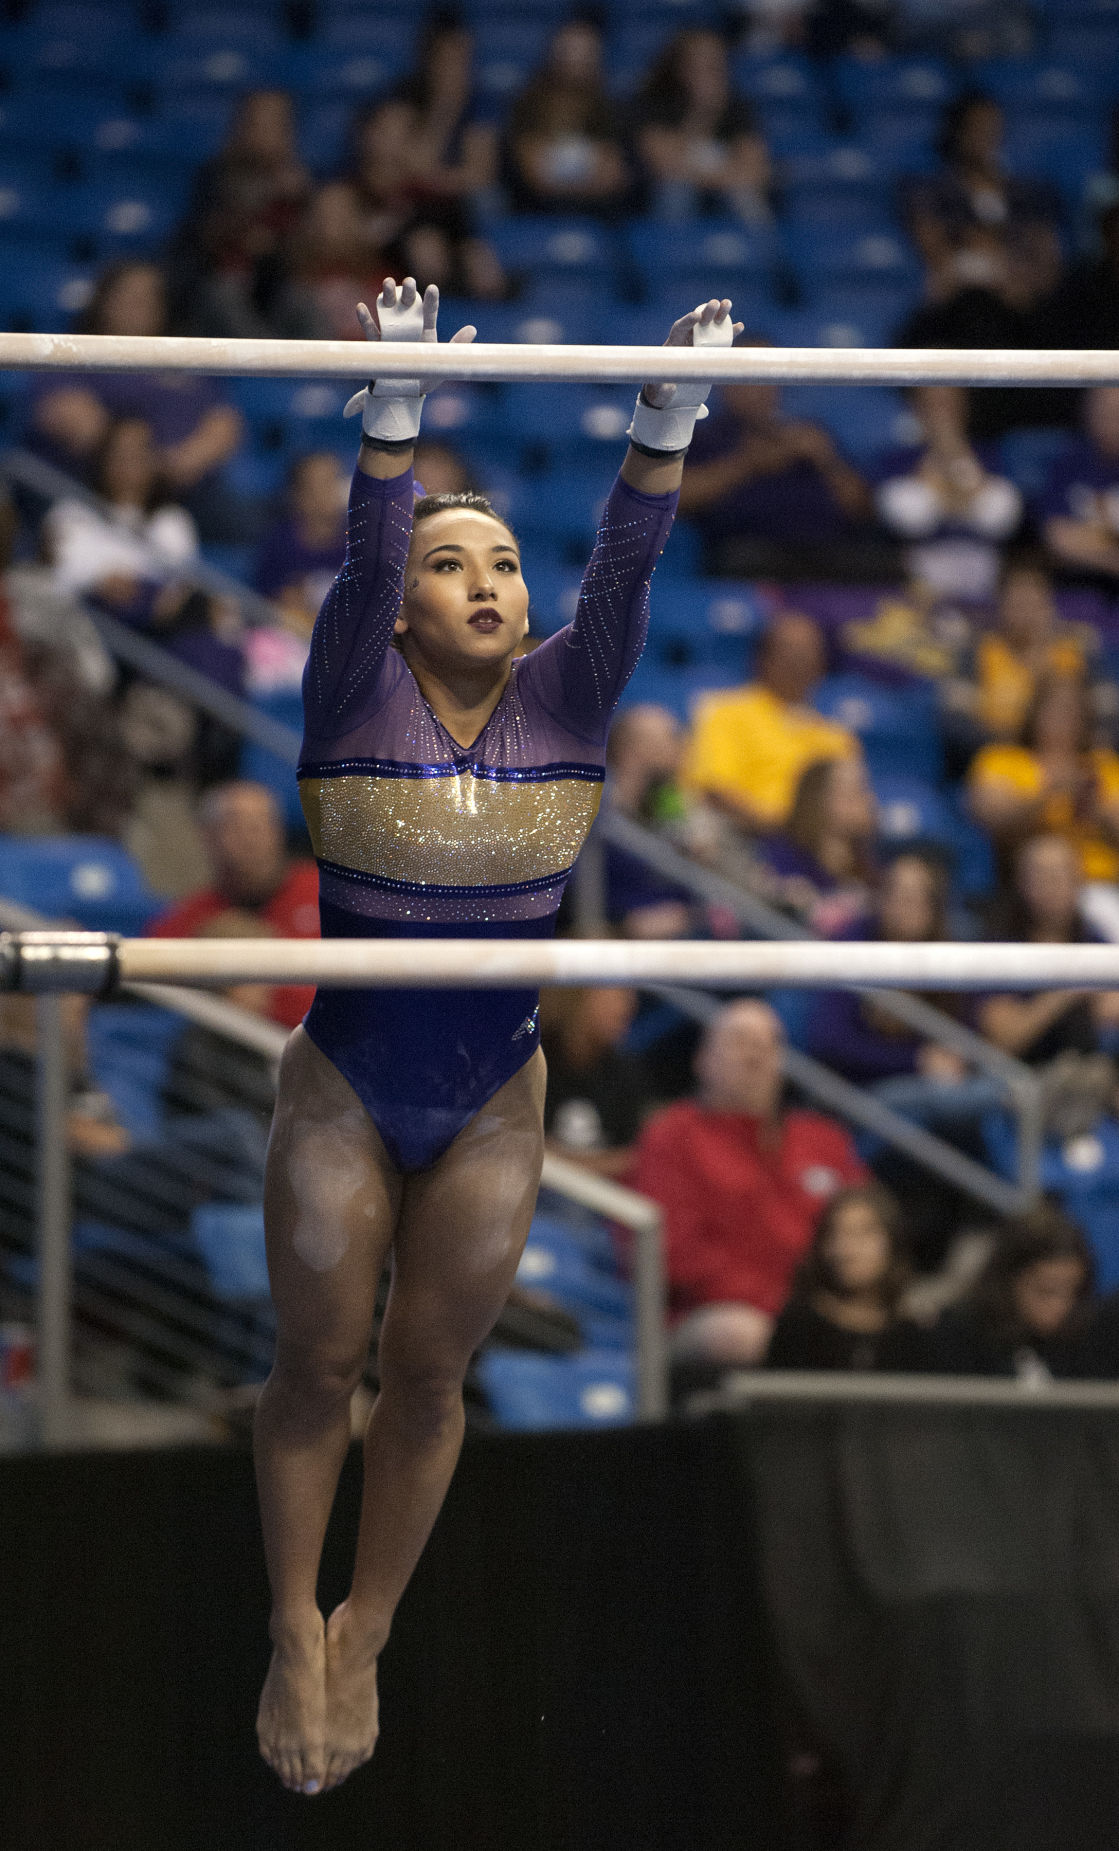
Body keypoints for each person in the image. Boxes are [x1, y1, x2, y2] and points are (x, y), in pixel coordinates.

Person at [252, 276, 741, 1796]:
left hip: (489, 1095)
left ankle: (370, 1623)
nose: (485, 580)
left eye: (503, 563)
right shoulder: (350, 681)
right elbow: (360, 549)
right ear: (400, 600)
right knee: (318, 1356)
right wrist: (393, 420)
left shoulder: (572, 695)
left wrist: (661, 417)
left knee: (427, 1373)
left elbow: (626, 560)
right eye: (448, 562)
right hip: (346, 1077)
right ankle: (285, 1621)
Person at [630, 999, 867, 1372]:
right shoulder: (671, 1136)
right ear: (702, 1059)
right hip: (711, 1316)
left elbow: (869, 1227)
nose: (756, 1054)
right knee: (741, 1333)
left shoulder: (825, 1139)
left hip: (824, 1306)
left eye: (769, 1043)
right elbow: (671, 1256)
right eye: (740, 1041)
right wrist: (794, 1307)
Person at [27, 262, 245, 539]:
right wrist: (139, 464)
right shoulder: (73, 353)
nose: (138, 304)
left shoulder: (183, 357)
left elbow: (224, 422)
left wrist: (183, 462)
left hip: (182, 490)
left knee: (248, 522)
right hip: (90, 488)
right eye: (128, 294)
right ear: (104, 301)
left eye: (148, 296)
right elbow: (68, 414)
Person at [805, 851, 1000, 1130]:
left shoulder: (947, 954)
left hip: (936, 1081)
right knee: (955, 1098)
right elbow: (831, 1040)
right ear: (881, 900)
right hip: (863, 1086)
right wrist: (916, 1060)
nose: (908, 905)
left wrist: (956, 1056)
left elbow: (967, 1027)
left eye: (920, 897)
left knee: (986, 1089)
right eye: (899, 894)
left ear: (935, 907)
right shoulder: (851, 944)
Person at [147, 781, 319, 1031]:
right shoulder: (188, 921)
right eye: (235, 826)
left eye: (260, 824)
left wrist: (273, 998)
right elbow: (150, 993)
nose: (250, 838)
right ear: (208, 836)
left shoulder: (329, 894)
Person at [678, 362, 875, 578]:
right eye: (749, 378)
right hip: (747, 551)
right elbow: (674, 498)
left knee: (878, 563)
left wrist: (828, 461)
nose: (761, 388)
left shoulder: (809, 433)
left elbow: (861, 508)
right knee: (745, 558)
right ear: (724, 384)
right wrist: (747, 463)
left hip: (827, 551)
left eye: (769, 377)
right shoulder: (706, 437)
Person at [682, 611, 859, 833]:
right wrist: (786, 832)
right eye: (789, 652)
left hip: (811, 850)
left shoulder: (838, 738)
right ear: (763, 658)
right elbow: (714, 789)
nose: (798, 662)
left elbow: (856, 811)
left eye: (808, 653)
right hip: (744, 838)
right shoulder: (726, 712)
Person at [176, 89, 311, 339]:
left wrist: (297, 200)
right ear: (241, 127)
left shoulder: (303, 187)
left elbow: (309, 250)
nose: (266, 133)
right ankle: (266, 368)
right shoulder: (215, 177)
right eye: (258, 123)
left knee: (305, 300)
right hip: (221, 290)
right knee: (222, 294)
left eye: (276, 124)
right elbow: (201, 239)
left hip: (276, 289)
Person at [978, 833, 1119, 1066]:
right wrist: (1067, 991)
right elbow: (1003, 1039)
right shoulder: (999, 946)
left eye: (1060, 875)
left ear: (1078, 881)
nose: (1051, 885)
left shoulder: (1093, 939)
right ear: (1021, 883)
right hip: (1019, 1076)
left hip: (1089, 1067)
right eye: (1040, 875)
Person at [874, 384, 1023, 603]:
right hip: (917, 576)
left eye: (948, 403)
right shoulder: (898, 460)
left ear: (964, 406)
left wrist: (956, 471)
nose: (941, 412)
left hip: (983, 576)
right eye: (933, 403)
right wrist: (962, 494)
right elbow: (909, 519)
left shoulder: (989, 456)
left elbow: (1001, 519)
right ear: (917, 408)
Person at [967, 674, 1119, 884]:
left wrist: (1096, 807)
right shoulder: (1003, 759)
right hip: (1029, 886)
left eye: (1072, 712)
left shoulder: (1103, 764)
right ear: (1034, 713)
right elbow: (989, 815)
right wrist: (1049, 794)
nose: (1063, 720)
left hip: (1100, 882)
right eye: (1053, 710)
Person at [765, 1183, 928, 1371]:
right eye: (837, 1233)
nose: (848, 1248)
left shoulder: (917, 1330)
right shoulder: (797, 1326)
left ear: (893, 1241)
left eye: (865, 1232)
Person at [925, 1204, 1097, 1380]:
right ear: (1008, 1281)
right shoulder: (958, 1337)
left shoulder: (1086, 1341)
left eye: (1073, 1292)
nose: (1060, 1306)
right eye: (1046, 1291)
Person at [633, 27, 772, 226]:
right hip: (664, 197)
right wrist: (702, 114)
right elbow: (667, 166)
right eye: (701, 61)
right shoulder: (654, 102)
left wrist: (710, 176)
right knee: (676, 191)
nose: (711, 68)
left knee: (746, 196)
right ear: (680, 65)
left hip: (722, 189)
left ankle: (759, 254)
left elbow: (756, 171)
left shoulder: (736, 106)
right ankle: (675, 251)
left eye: (716, 62)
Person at [504, 17, 635, 220]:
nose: (577, 60)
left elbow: (612, 175)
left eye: (586, 52)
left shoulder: (611, 108)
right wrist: (588, 170)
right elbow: (535, 174)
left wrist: (559, 171)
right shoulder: (528, 104)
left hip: (600, 212)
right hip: (536, 209)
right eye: (571, 50)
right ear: (555, 53)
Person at [250, 452, 348, 690]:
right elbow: (278, 607)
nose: (329, 492)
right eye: (319, 485)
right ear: (298, 495)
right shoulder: (280, 543)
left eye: (333, 481)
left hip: (345, 643)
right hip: (294, 643)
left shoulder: (359, 542)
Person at [540, 985, 654, 1178]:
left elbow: (632, 1157)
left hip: (596, 1197)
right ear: (579, 996)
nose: (629, 1006)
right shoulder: (535, 1055)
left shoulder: (626, 1072)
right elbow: (514, 1140)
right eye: (618, 996)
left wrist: (559, 1159)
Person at [758, 754, 878, 935]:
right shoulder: (782, 857)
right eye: (855, 791)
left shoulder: (871, 865)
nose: (868, 799)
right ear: (818, 799)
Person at [1041, 386, 1119, 586]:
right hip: (1076, 588)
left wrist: (1092, 538)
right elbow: (1059, 540)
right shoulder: (1068, 464)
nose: (1110, 421)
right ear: (1088, 412)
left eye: (1116, 413)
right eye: (1103, 412)